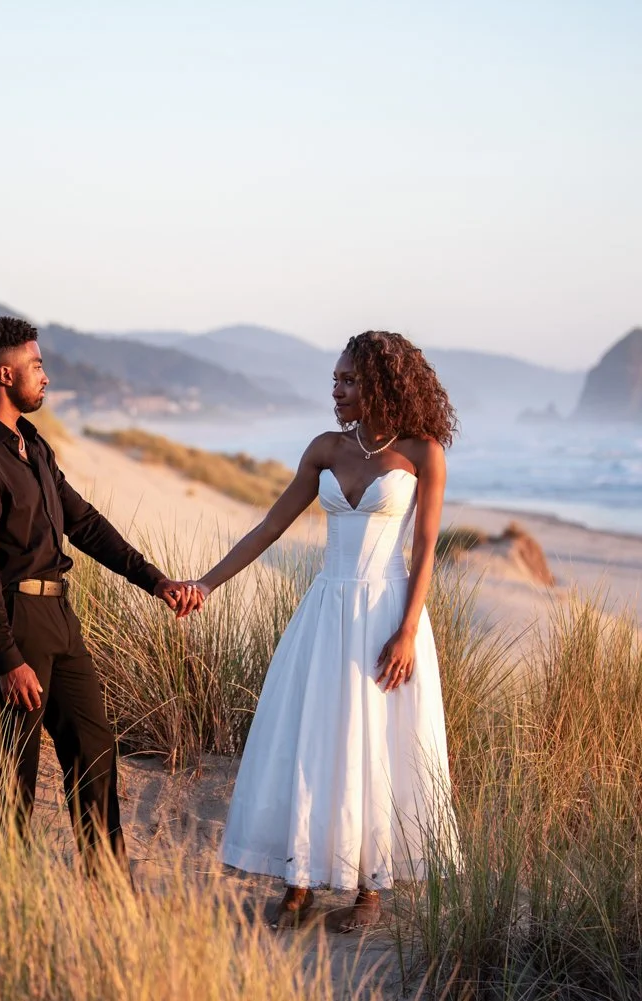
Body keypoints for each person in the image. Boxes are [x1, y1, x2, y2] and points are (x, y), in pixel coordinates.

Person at [185, 330, 461, 931]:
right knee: (313, 736)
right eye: (335, 379)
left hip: (386, 613)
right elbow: (268, 529)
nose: (335, 390)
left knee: (376, 742)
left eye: (348, 380)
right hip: (325, 611)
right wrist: (206, 584)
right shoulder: (326, 449)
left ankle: (370, 890)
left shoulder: (423, 452)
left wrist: (409, 631)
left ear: (382, 384)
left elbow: (425, 552)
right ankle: (300, 880)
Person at [0, 316, 200, 874]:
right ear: (5, 375)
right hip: (14, 623)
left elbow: (84, 522)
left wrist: (156, 581)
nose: (46, 376)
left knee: (94, 747)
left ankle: (105, 888)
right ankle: (4, 897)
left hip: (58, 614)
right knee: (15, 771)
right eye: (36, 366)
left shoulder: (32, 445)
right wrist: (7, 659)